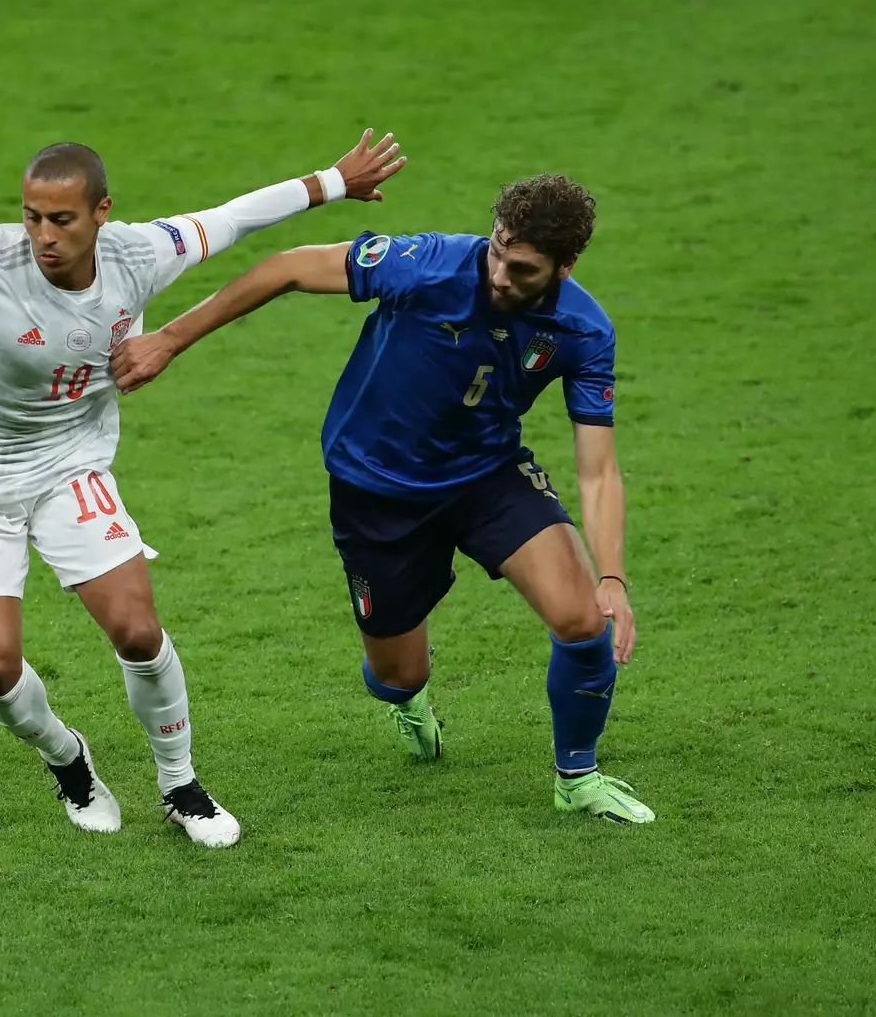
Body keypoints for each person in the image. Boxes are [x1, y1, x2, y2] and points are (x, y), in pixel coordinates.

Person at [0, 131, 408, 847]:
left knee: (139, 632)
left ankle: (181, 785)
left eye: (62, 220)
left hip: (69, 466)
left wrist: (334, 180)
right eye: (32, 217)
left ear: (101, 212)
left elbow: (233, 216)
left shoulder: (138, 254)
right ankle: (68, 758)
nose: (43, 237)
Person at [110, 174, 654, 824]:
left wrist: (613, 577)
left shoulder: (582, 330)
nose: (501, 273)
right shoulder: (424, 265)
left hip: (486, 475)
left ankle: (578, 775)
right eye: (499, 248)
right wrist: (169, 338)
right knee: (397, 673)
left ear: (564, 267)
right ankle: (410, 700)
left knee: (581, 617)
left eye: (524, 266)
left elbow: (598, 471)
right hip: (376, 489)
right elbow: (287, 268)